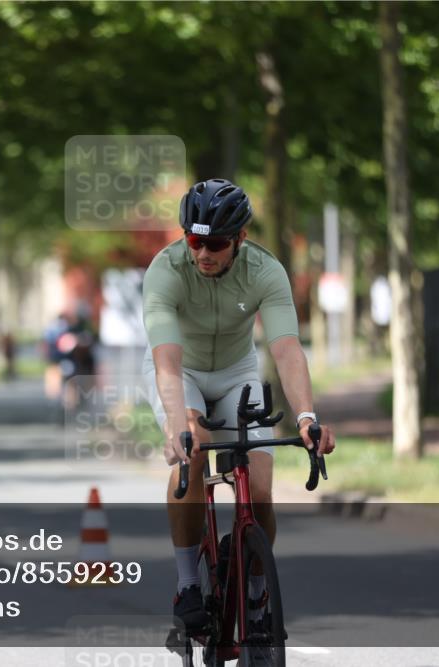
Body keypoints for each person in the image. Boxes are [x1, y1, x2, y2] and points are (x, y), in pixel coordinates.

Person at [141, 179, 336, 633]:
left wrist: (306, 417)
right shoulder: (165, 270)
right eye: (194, 240)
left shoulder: (266, 271)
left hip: (236, 371)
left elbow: (287, 349)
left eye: (215, 243)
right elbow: (166, 362)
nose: (203, 252)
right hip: (181, 370)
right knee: (193, 446)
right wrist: (177, 423)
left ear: (240, 239)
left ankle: (253, 588)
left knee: (261, 488)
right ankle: (189, 583)